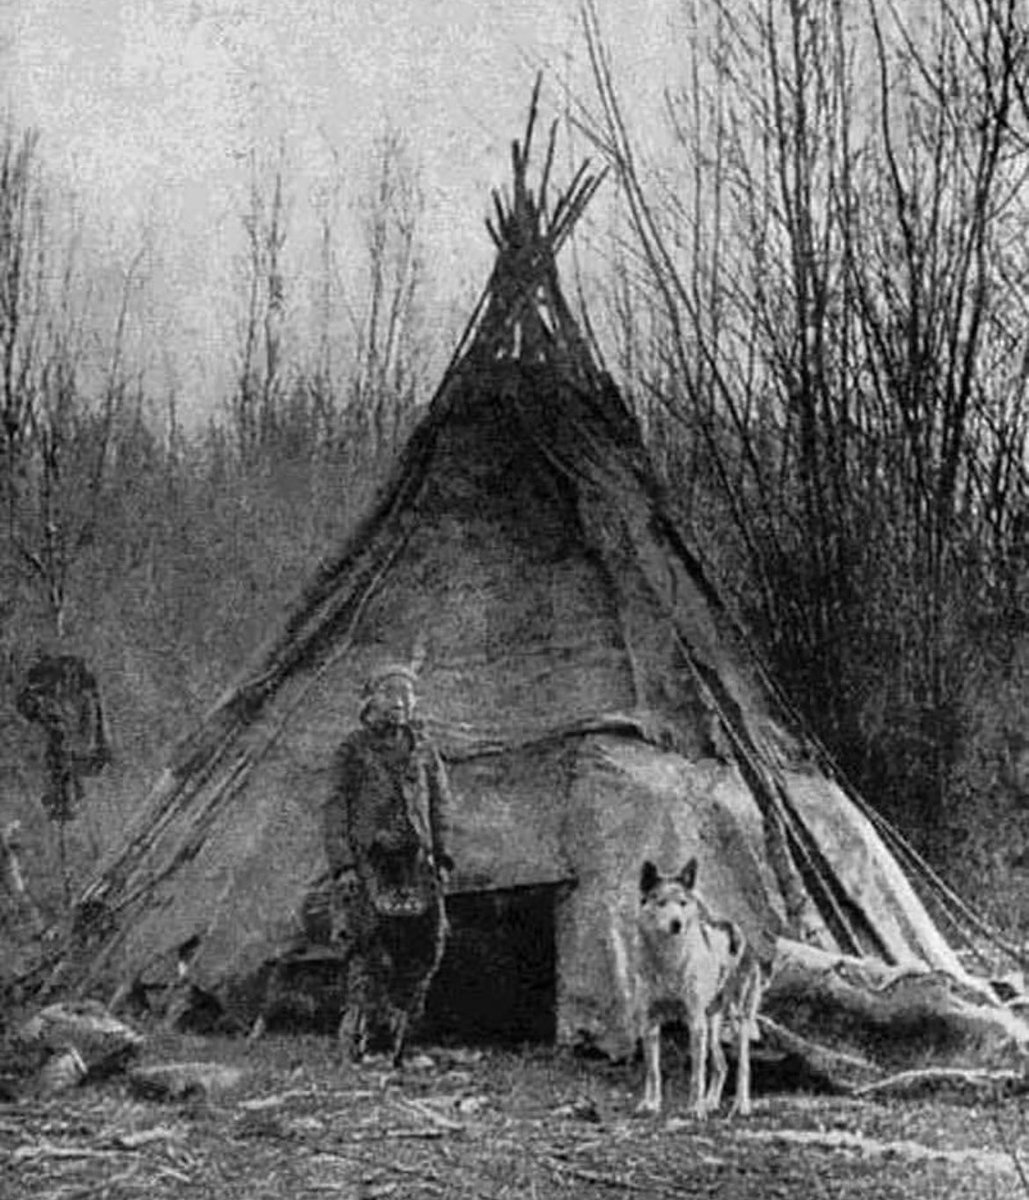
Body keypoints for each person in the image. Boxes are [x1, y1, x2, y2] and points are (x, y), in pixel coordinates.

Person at [323, 663, 453, 1065]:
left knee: (426, 945)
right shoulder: (352, 750)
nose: (400, 703)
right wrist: (343, 865)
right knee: (369, 948)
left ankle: (401, 1033)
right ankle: (366, 1036)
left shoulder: (423, 750)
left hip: (415, 865)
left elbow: (439, 804)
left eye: (407, 695)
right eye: (390, 694)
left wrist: (443, 855)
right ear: (370, 701)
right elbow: (334, 808)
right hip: (370, 865)